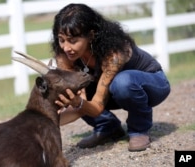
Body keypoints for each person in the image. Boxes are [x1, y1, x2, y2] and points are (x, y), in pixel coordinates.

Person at [51, 3, 171, 152]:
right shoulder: (65, 56)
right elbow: (81, 103)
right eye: (61, 40)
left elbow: (95, 106)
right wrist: (47, 118)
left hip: (153, 84)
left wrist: (78, 104)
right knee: (73, 89)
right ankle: (108, 127)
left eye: (73, 40)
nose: (66, 47)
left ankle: (139, 130)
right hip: (114, 91)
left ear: (91, 35)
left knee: (123, 82)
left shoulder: (114, 53)